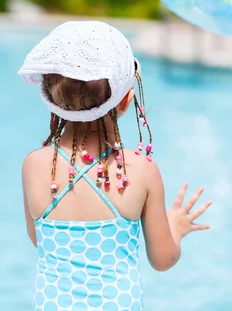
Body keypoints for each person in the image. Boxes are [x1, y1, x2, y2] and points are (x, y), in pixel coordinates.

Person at [18, 21, 212, 311]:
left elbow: (40, 240)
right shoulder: (141, 171)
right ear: (125, 100)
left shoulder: (34, 165)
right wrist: (176, 227)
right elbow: (162, 259)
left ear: (53, 102)